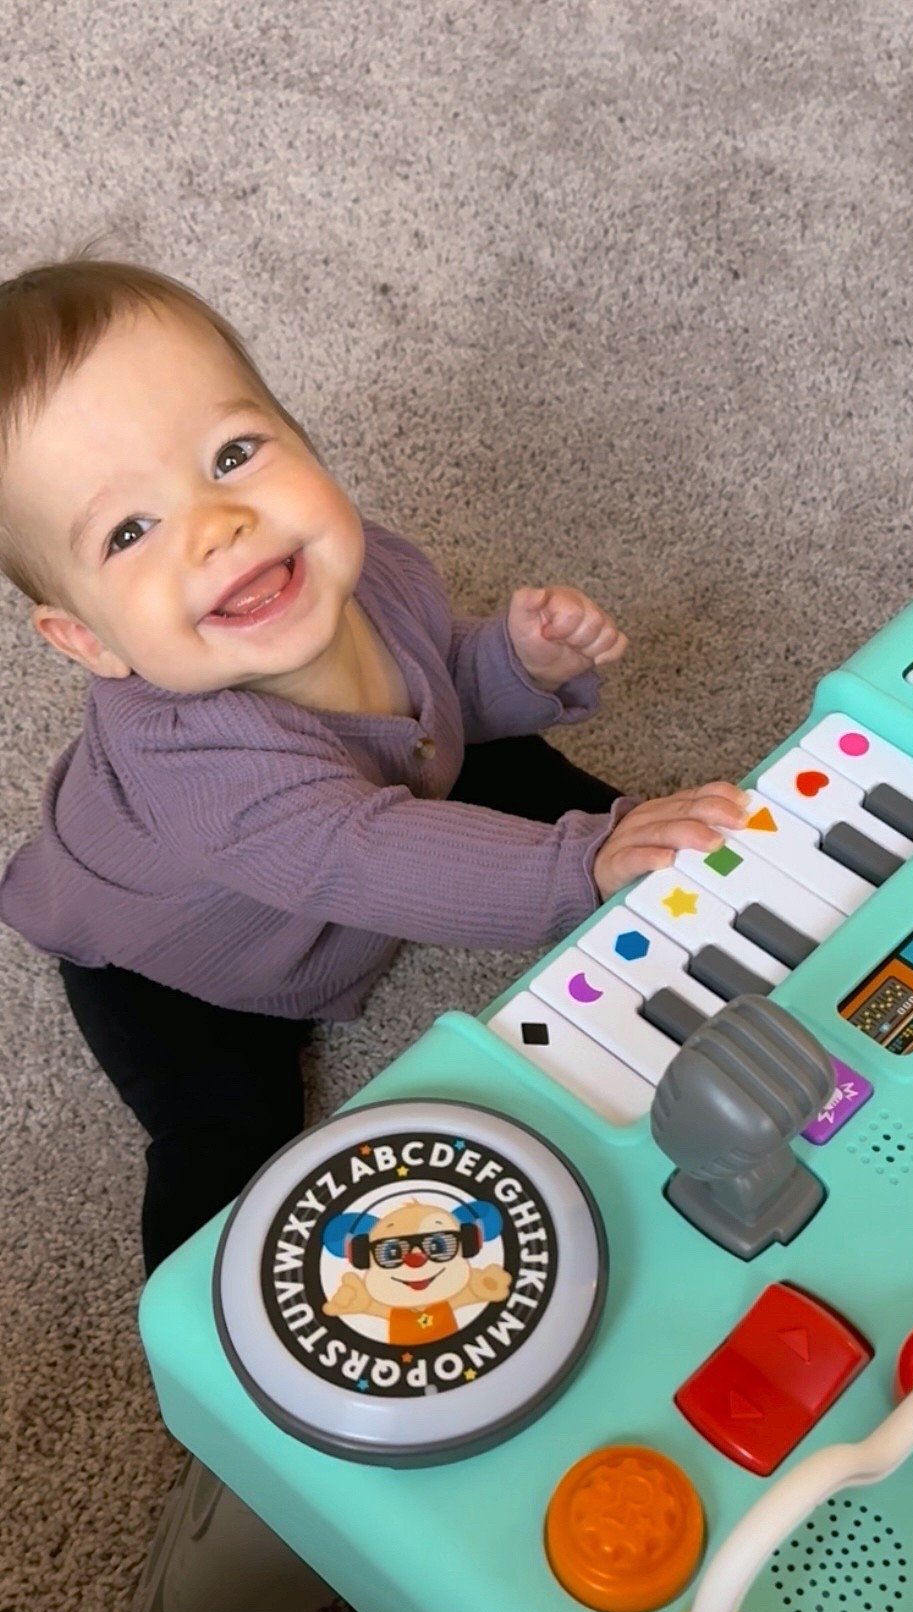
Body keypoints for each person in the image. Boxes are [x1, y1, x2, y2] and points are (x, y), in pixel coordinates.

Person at [0, 259, 745, 1273]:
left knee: (502, 764)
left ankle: (676, 880)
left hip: (371, 802)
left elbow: (431, 688)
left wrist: (513, 665)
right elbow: (375, 858)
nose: (218, 525)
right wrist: (575, 869)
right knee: (228, 1136)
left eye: (232, 454)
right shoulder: (201, 773)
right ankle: (214, 1350)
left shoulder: (362, 567)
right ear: (88, 639)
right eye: (131, 530)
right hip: (178, 970)